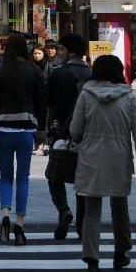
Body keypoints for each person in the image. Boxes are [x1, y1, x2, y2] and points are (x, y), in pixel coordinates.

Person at [69, 54, 136, 272]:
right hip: (119, 156)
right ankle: (121, 252)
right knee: (120, 205)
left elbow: (75, 130)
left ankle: (92, 260)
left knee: (92, 209)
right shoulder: (128, 97)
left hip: (90, 158)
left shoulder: (86, 95)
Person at [0, 33, 42, 246]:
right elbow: (40, 102)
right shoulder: (33, 70)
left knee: (6, 176)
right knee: (23, 177)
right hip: (26, 130)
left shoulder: (0, 70)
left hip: (3, 130)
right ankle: (20, 223)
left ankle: (5, 216)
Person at [45, 33, 91, 241]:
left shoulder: (59, 74)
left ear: (70, 51)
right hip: (87, 135)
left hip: (61, 133)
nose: (59, 54)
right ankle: (82, 224)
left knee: (55, 176)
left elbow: (48, 101)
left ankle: (64, 211)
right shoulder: (92, 74)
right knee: (83, 180)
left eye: (61, 50)